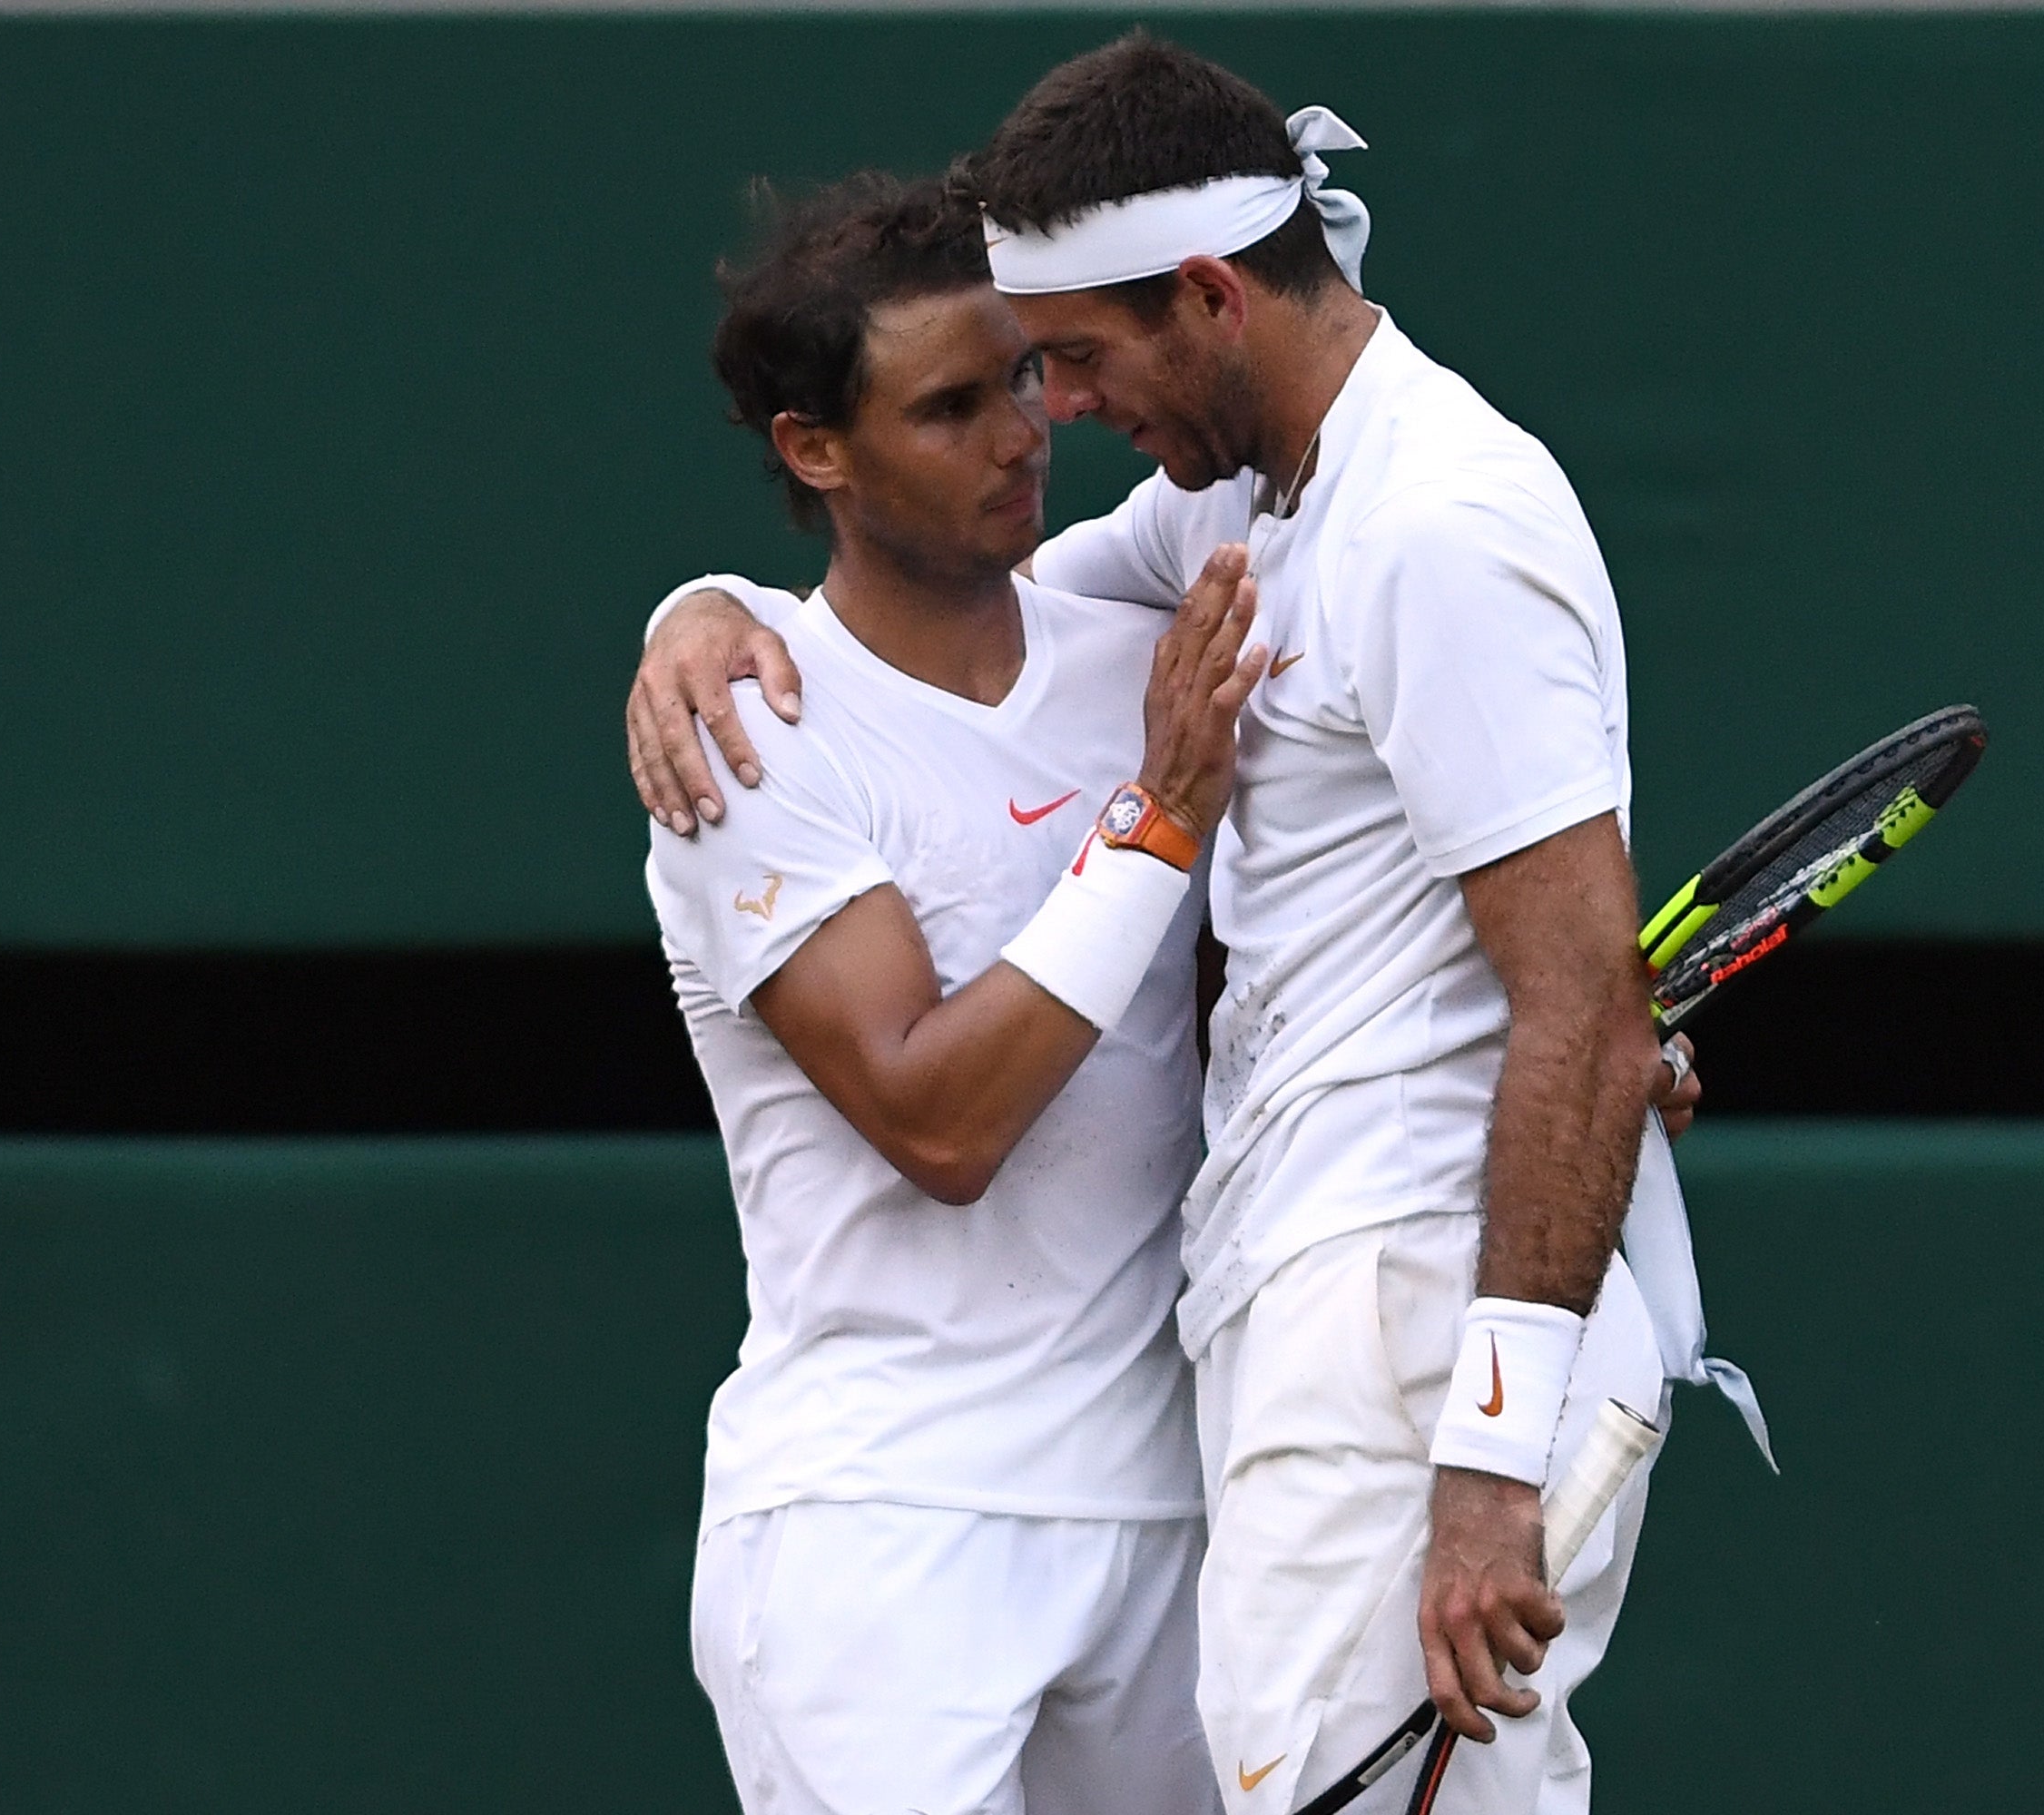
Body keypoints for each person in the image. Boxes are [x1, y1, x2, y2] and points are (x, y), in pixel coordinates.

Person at [631, 37, 1762, 1815]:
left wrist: (1487, 1446)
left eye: (1062, 361)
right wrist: (695, 610)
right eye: (990, 387)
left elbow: (1574, 1006)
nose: (1046, 421)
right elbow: (938, 688)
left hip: (1359, 1364)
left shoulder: (1410, 527)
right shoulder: (1220, 532)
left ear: (1213, 299)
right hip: (1119, 1423)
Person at [650, 170, 1271, 1815]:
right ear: (813, 450)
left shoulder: (1125, 631)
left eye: (1019, 378)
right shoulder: (750, 737)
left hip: (1166, 1519)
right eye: (948, 406)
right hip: (881, 1538)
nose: (1020, 432)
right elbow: (939, 1119)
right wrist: (1154, 826)